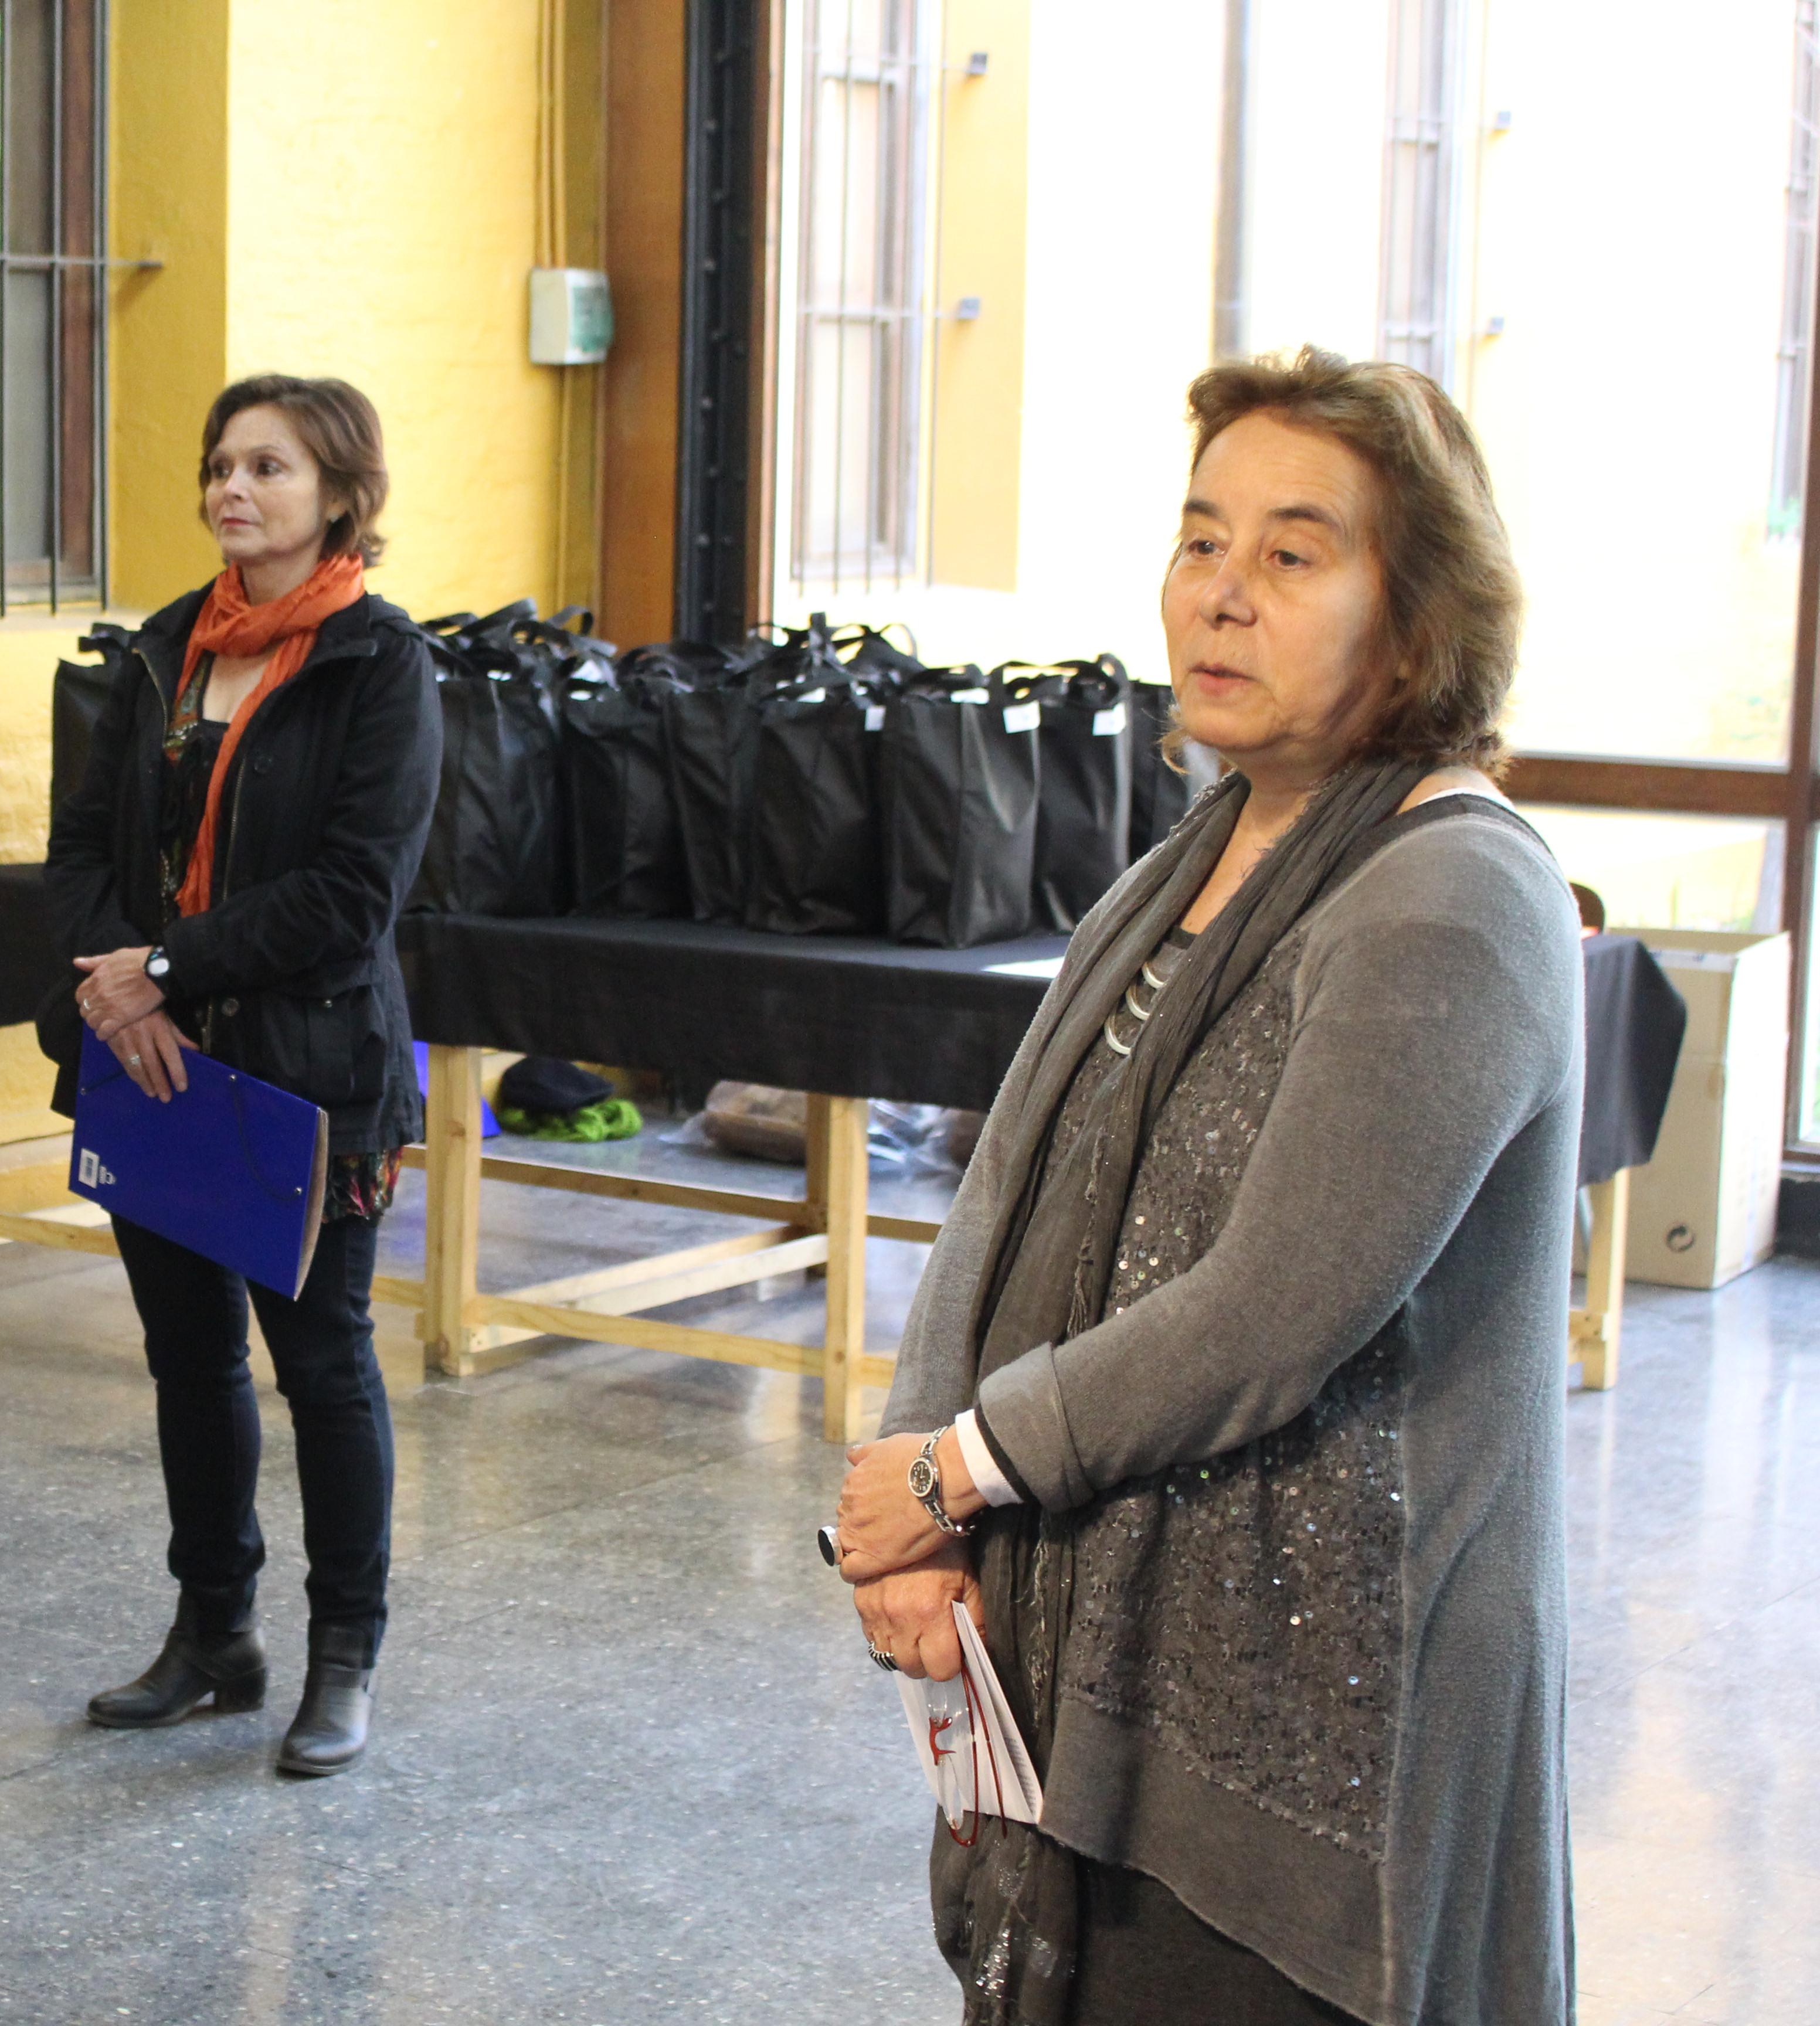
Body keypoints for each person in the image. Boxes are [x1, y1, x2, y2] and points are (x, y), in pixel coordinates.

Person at [831, 348, 1579, 2024]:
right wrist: (914, 1504)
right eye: (1201, 542)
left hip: (1308, 1710)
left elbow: (1273, 1310)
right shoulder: (1194, 853)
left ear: (1421, 611)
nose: (1222, 597)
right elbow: (1005, 1195)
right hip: (1093, 1642)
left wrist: (959, 1465)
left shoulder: (1449, 897)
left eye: (1295, 555)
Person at [45, 375, 440, 1776]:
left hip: (308, 1075)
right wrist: (118, 981)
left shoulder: (377, 666)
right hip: (156, 1069)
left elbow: (352, 895)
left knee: (321, 1364)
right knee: (187, 1359)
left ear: (340, 494)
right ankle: (215, 1632)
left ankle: (344, 1659)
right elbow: (83, 850)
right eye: (221, 463)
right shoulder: (161, 650)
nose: (234, 488)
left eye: (269, 466)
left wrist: (167, 969)